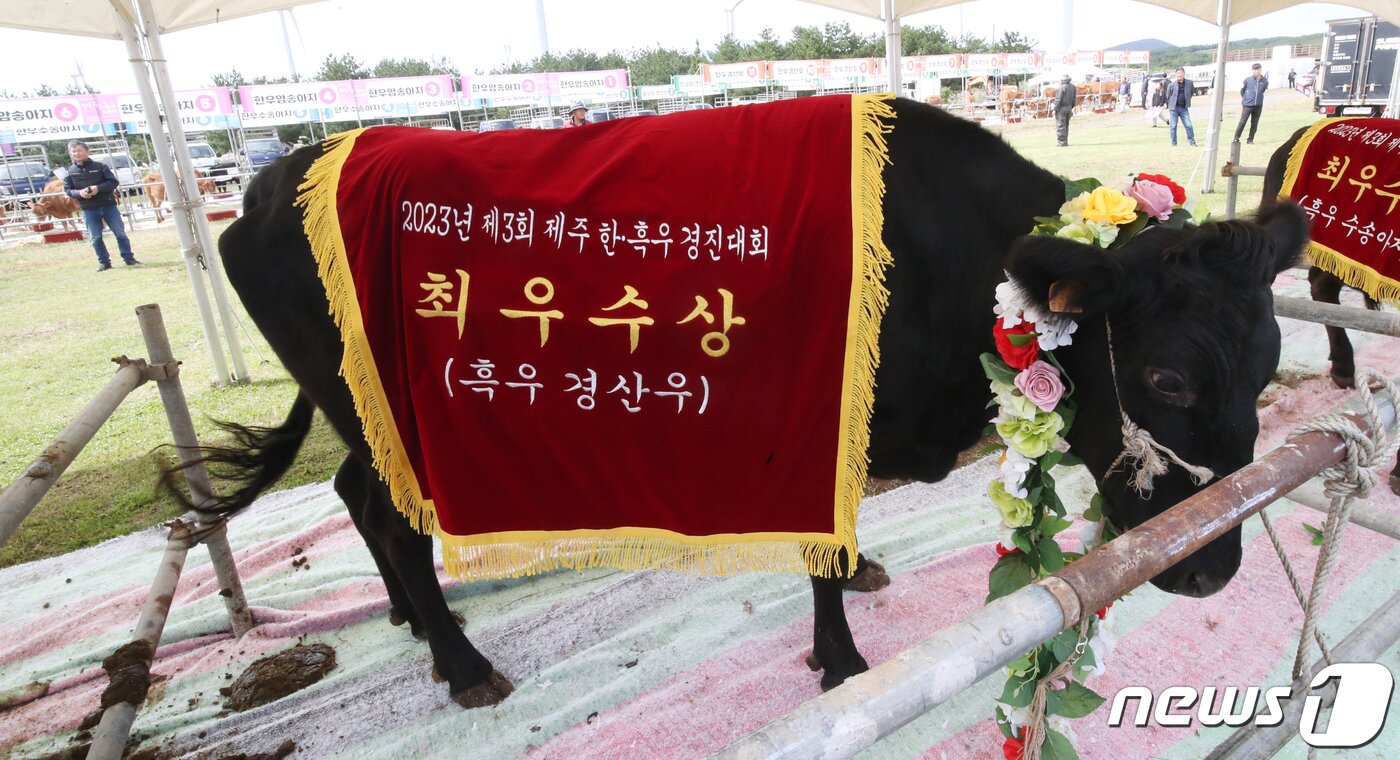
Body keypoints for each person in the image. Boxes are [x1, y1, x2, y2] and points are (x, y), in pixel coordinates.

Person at [63, 140, 138, 271]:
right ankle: (104, 262)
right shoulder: (69, 171)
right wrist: (80, 193)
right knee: (95, 237)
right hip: (88, 208)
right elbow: (68, 190)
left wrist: (98, 188)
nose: (77, 153)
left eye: (79, 150)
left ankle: (129, 258)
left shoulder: (100, 166)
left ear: (87, 151)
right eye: (73, 151)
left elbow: (113, 182)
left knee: (120, 233)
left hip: (108, 205)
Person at [1234, 63, 1269, 144]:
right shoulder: (1247, 80)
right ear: (1252, 70)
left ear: (1261, 70)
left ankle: (1250, 139)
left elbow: (1262, 91)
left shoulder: (1265, 81)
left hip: (1258, 105)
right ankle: (1236, 138)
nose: (1256, 71)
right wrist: (1246, 98)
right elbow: (1242, 91)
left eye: (1258, 69)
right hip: (1247, 105)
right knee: (1242, 122)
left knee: (1254, 123)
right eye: (1255, 70)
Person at [1164, 67, 1197, 147]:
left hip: (1184, 108)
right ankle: (1174, 143)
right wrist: (1169, 105)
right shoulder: (1171, 85)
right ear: (1176, 75)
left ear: (1184, 74)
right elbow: (1168, 95)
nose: (1179, 74)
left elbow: (1191, 92)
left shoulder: (1189, 83)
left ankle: (1192, 141)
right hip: (1174, 108)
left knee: (1188, 125)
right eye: (1178, 73)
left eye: (1181, 73)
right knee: (1173, 126)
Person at [1054, 74, 1076, 147]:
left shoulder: (1061, 88)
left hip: (1061, 108)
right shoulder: (1073, 87)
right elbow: (1074, 99)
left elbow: (1058, 100)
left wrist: (1055, 109)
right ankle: (1065, 141)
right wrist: (1071, 107)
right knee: (1066, 125)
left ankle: (1062, 142)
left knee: (1060, 125)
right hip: (1069, 108)